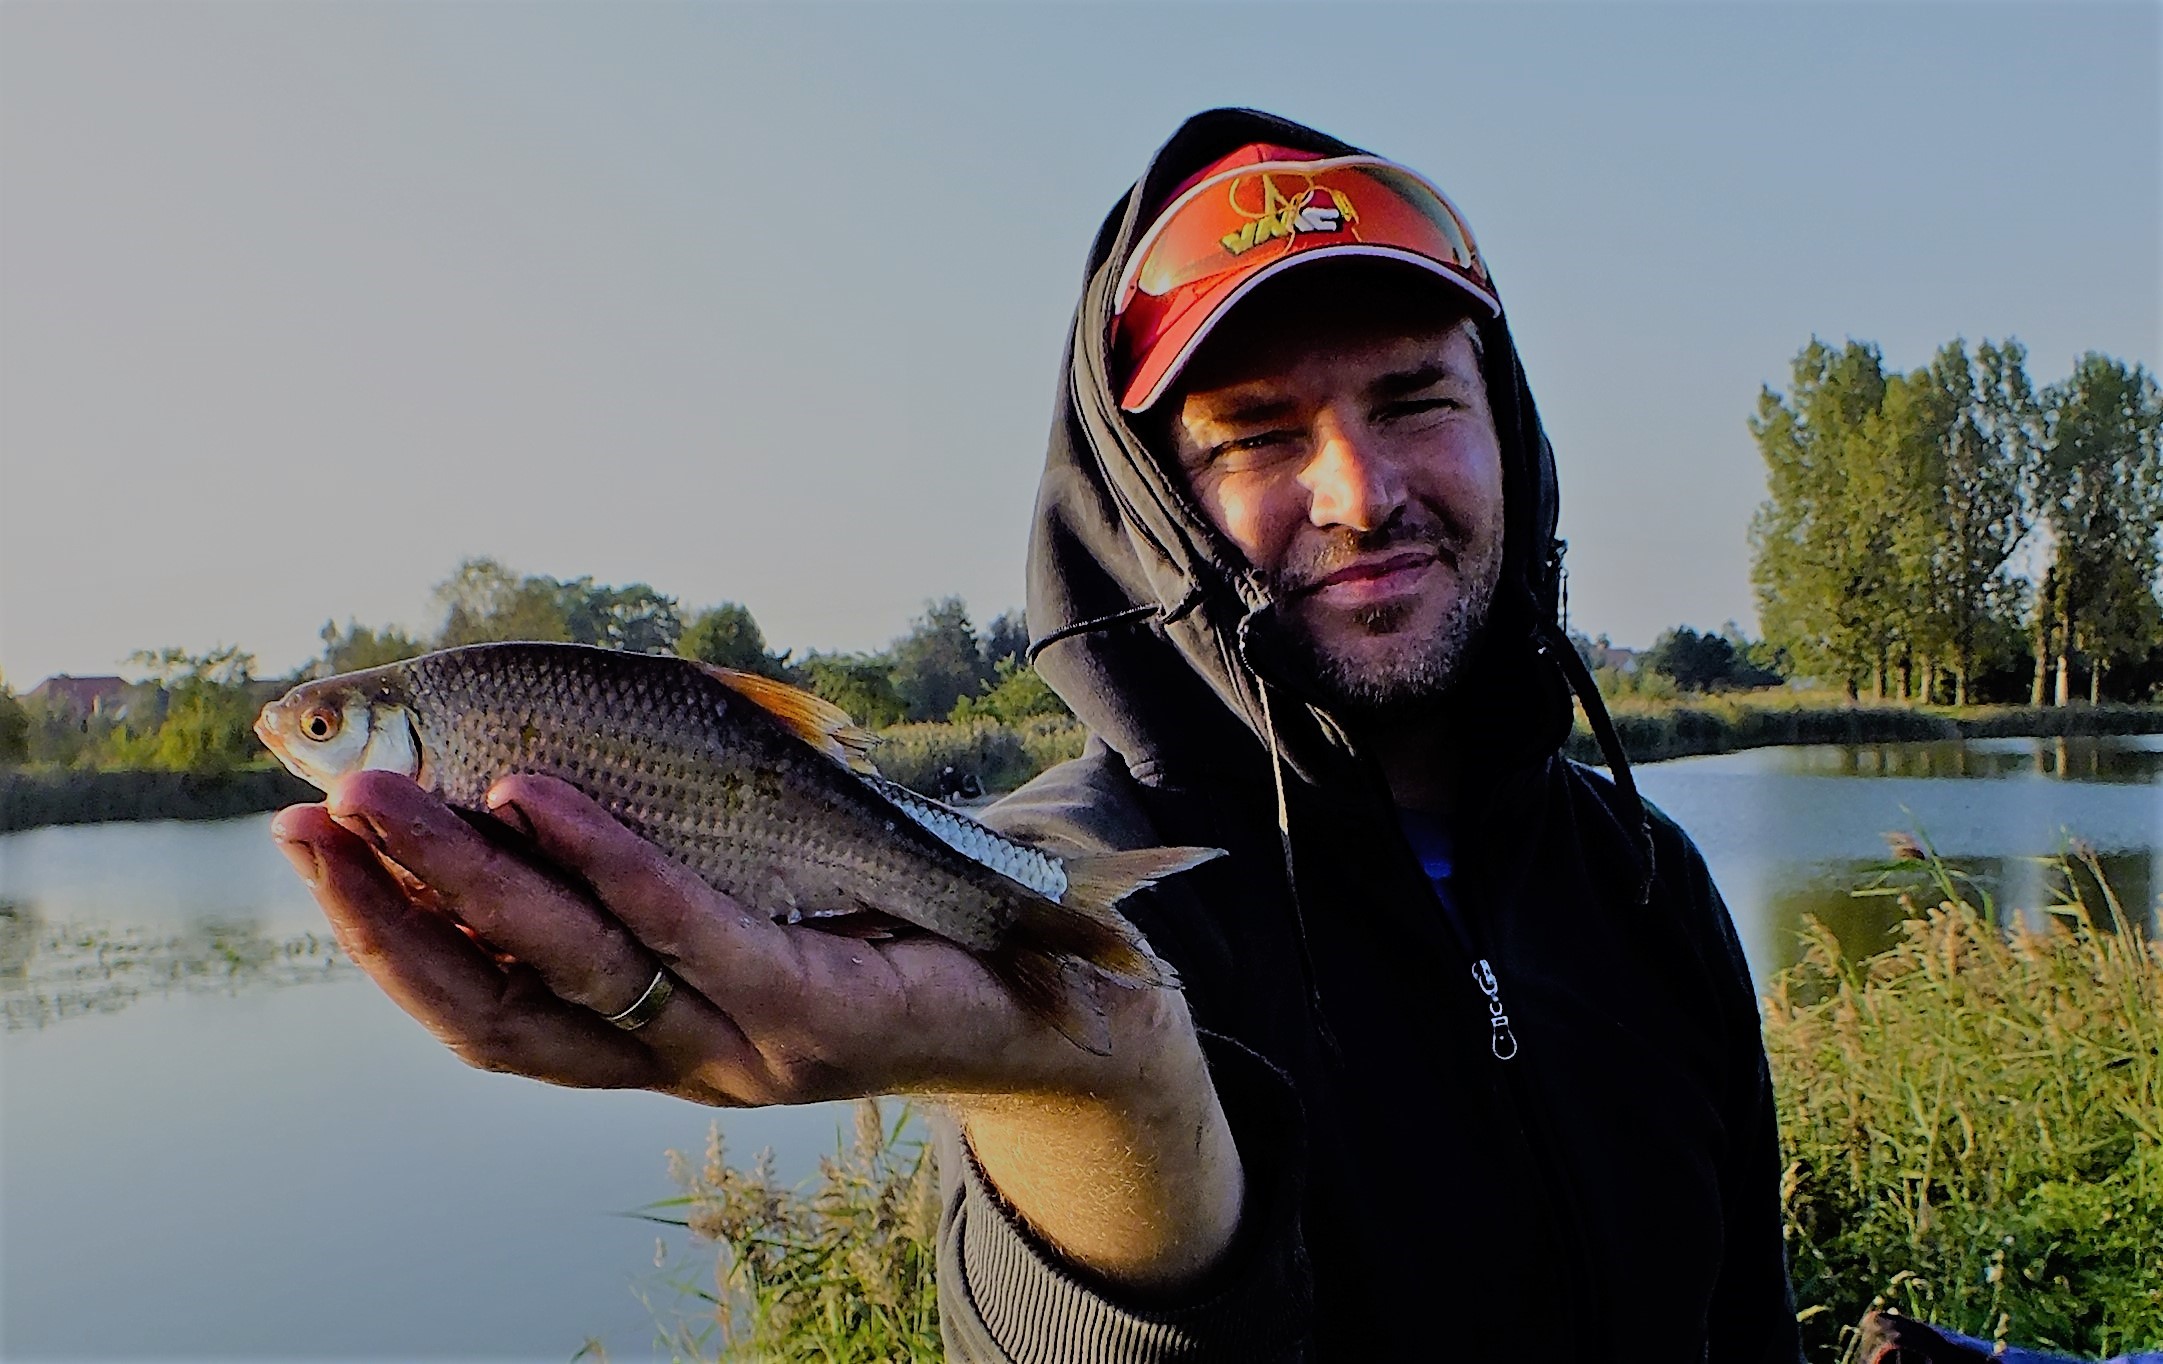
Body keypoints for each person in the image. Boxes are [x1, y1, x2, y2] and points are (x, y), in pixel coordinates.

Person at [268, 108, 1801, 1360]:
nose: (1361, 491)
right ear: (1152, 511)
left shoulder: (1644, 876)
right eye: (1260, 434)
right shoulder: (1050, 886)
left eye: (1414, 401)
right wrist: (1093, 1084)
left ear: (1508, 431)